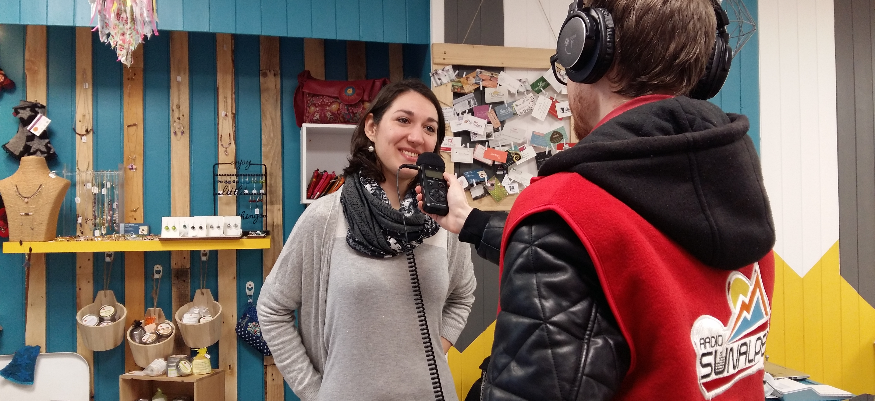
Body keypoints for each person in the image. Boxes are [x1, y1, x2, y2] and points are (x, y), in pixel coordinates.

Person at [418, 0, 776, 400]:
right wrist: (470, 221)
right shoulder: (735, 190)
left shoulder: (563, 206)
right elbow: (621, 256)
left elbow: (590, 244)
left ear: (585, 50)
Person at [259, 79, 476, 401]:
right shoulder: (325, 216)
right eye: (403, 120)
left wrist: (432, 350)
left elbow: (463, 296)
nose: (417, 137)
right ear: (372, 127)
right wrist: (314, 392)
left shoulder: (443, 220)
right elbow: (272, 308)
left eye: (430, 128)